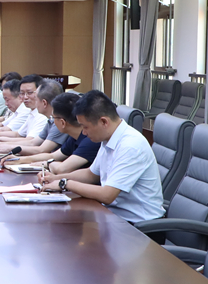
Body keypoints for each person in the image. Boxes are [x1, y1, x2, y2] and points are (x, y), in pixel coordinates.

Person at [40, 90, 164, 224]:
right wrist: (55, 178)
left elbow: (107, 195)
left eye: (85, 127)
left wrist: (65, 184)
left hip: (137, 225)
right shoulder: (108, 139)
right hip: (113, 216)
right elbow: (91, 174)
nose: (84, 133)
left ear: (104, 122)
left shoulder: (130, 145)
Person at [4, 92, 99, 173]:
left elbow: (62, 168)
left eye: (53, 118)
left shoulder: (89, 140)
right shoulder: (74, 138)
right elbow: (53, 155)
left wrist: (47, 164)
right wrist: (20, 160)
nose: (52, 121)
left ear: (62, 122)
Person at [0, 79, 67, 156]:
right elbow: (33, 142)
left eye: (36, 99)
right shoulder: (51, 119)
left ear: (44, 103)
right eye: (22, 93)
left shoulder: (59, 120)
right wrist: (3, 143)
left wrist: (10, 148)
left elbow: (42, 150)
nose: (25, 97)